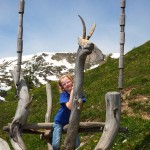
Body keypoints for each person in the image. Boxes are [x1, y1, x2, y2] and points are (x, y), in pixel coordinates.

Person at [52, 74, 86, 150]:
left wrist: (79, 100)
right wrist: (72, 92)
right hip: (59, 121)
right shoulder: (63, 95)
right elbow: (70, 107)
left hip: (71, 121)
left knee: (77, 144)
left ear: (72, 82)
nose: (67, 84)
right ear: (62, 88)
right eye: (64, 84)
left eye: (68, 82)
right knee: (56, 145)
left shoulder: (80, 94)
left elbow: (79, 108)